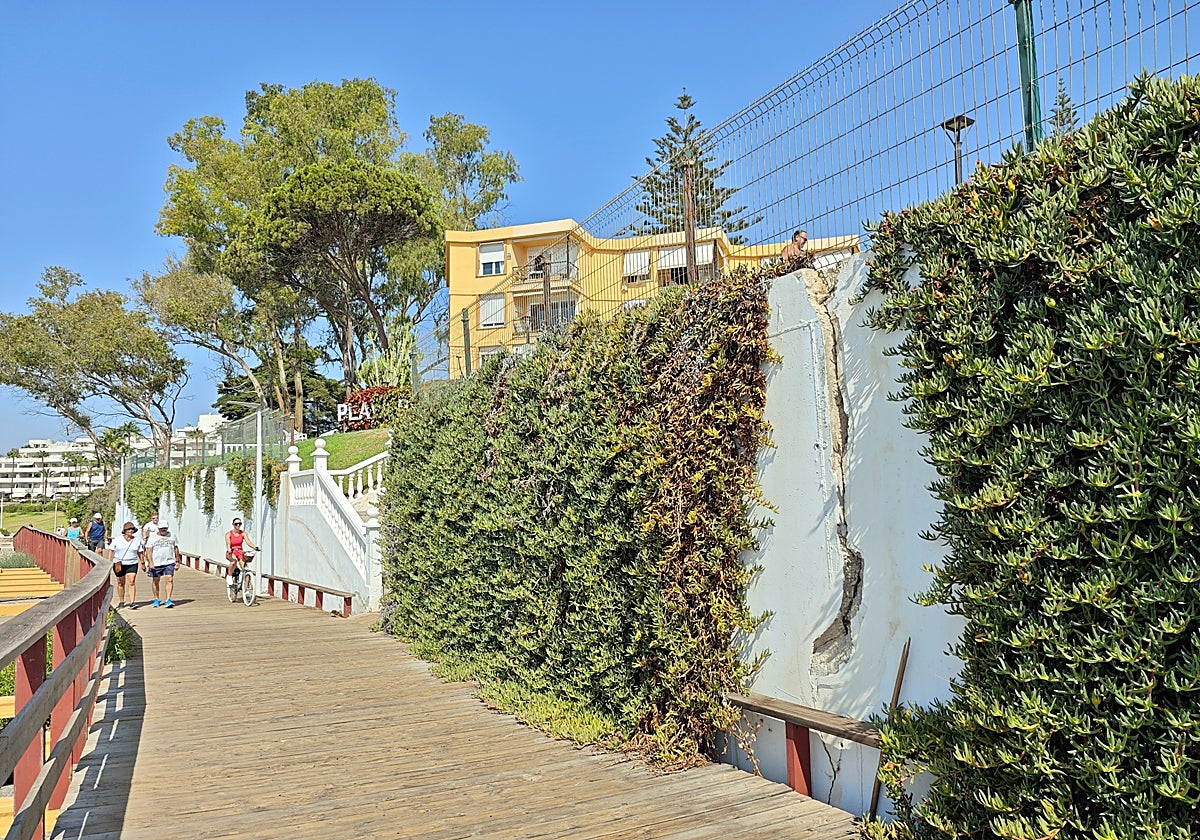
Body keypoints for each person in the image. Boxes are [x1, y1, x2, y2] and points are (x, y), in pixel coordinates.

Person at [143, 520, 181, 608]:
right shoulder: (152, 537)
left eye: (165, 529)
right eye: (162, 529)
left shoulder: (172, 536)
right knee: (156, 580)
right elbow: (148, 551)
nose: (163, 530)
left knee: (169, 579)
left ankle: (168, 599)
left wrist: (177, 561)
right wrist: (150, 562)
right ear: (158, 529)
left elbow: (175, 548)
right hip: (156, 563)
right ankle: (156, 599)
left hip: (169, 561)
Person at [108, 521, 144, 609]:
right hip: (119, 564)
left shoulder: (137, 540)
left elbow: (140, 552)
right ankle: (121, 601)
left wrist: (143, 562)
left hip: (132, 563)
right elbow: (111, 550)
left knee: (131, 582)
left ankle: (132, 602)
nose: (130, 531)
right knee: (121, 583)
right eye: (129, 529)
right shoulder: (117, 540)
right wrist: (109, 561)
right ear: (124, 530)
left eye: (132, 529)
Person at [225, 518, 258, 588]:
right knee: (234, 562)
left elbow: (248, 542)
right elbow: (228, 544)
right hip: (232, 552)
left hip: (240, 552)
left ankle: (246, 588)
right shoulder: (229, 534)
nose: (238, 525)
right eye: (236, 524)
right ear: (233, 524)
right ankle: (229, 575)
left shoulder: (243, 533)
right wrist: (229, 549)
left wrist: (255, 547)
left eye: (239, 524)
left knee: (245, 569)